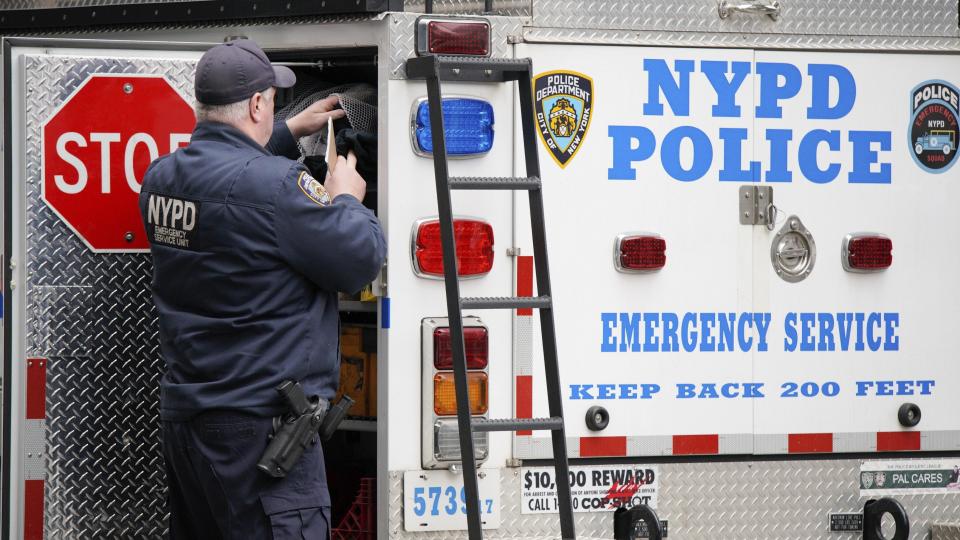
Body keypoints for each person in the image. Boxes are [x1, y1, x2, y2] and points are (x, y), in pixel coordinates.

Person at [138, 39, 386, 539]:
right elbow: (358, 261)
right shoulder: (278, 189)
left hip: (190, 430)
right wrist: (346, 200)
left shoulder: (162, 178)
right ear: (256, 104)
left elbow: (229, 184)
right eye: (273, 100)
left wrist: (287, 131)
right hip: (262, 440)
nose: (274, 106)